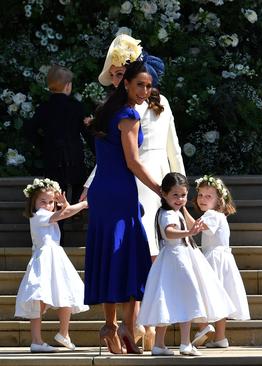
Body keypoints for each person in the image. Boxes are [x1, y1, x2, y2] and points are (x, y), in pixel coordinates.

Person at [83, 34, 185, 262]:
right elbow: (174, 149)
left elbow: (117, 151)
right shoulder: (161, 101)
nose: (116, 81)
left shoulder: (129, 107)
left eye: (119, 74)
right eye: (114, 75)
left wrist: (91, 184)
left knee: (143, 240)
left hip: (136, 176)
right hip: (157, 175)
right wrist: (180, 183)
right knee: (153, 238)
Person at [85, 59, 160, 354]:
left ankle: (111, 326)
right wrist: (160, 190)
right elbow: (133, 162)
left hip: (102, 191)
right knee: (126, 255)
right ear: (126, 83)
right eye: (139, 84)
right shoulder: (129, 115)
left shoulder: (106, 111)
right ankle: (126, 328)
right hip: (119, 193)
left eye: (148, 85)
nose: (144, 90)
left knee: (111, 254)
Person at [137, 173, 235, 356]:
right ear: (164, 194)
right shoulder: (167, 214)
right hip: (177, 259)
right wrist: (188, 232)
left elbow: (185, 227)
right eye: (175, 195)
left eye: (183, 195)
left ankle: (163, 345)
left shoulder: (175, 212)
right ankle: (183, 343)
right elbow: (169, 232)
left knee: (174, 300)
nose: (180, 199)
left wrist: (188, 226)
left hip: (178, 259)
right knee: (187, 298)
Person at [16, 178, 89, 353]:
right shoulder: (39, 215)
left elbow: (63, 213)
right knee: (39, 299)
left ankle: (64, 333)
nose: (48, 205)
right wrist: (84, 204)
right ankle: (36, 340)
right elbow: (63, 215)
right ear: (33, 202)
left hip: (56, 257)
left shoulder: (48, 215)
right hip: (45, 260)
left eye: (51, 202)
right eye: (43, 201)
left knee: (65, 294)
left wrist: (65, 204)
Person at [23, 64, 92, 243]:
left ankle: (57, 231)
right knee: (78, 184)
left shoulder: (44, 107)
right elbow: (87, 133)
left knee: (54, 192)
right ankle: (76, 213)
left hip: (53, 157)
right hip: (74, 154)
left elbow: (29, 130)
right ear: (68, 86)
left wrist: (42, 145)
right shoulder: (76, 106)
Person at [192, 175, 250, 348]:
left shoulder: (211, 215)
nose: (202, 199)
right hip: (224, 259)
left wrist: (181, 212)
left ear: (219, 200)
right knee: (220, 298)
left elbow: (195, 228)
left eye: (208, 196)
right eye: (200, 195)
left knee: (204, 294)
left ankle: (203, 326)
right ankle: (220, 338)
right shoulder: (219, 215)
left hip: (213, 260)